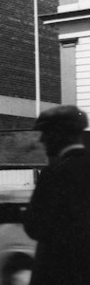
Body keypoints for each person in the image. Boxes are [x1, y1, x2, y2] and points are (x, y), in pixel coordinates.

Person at [23, 105, 90, 284]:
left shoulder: (53, 173)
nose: (42, 140)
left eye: (46, 133)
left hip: (56, 272)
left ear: (59, 135)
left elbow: (34, 227)